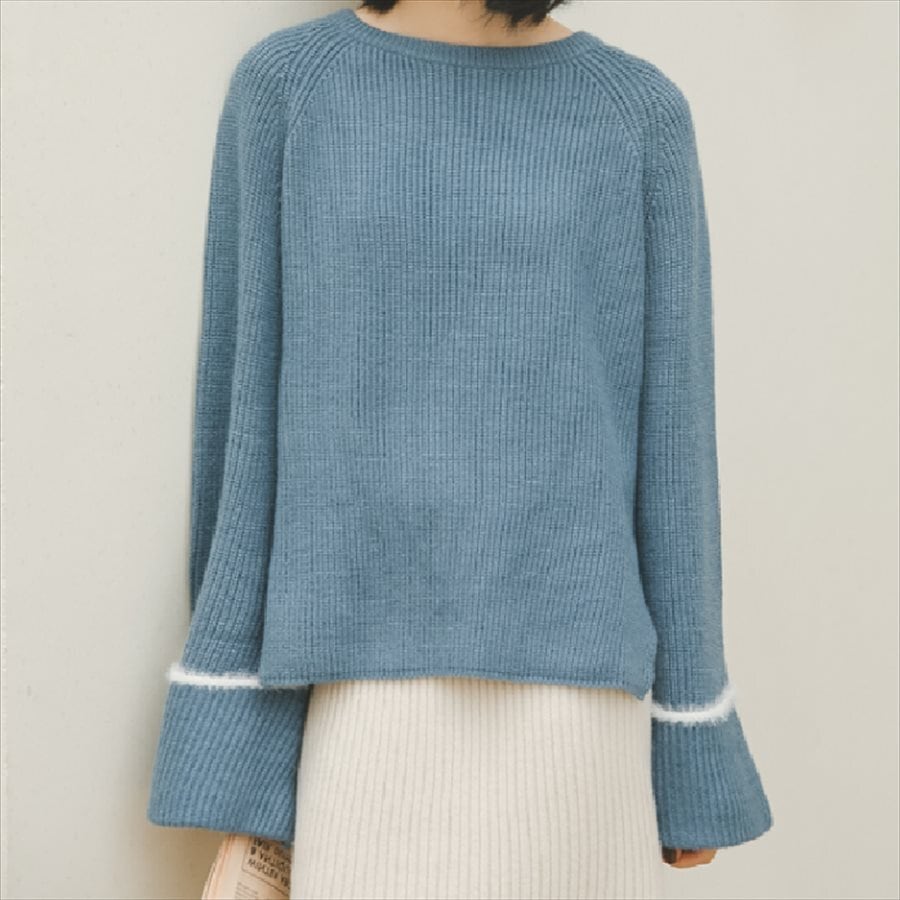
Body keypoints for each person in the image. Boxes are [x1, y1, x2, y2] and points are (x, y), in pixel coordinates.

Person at [146, 1, 774, 898]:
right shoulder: (289, 87)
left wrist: (691, 737)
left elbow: (675, 446)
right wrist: (232, 716)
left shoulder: (637, 112)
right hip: (356, 709)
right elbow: (241, 425)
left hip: (577, 724)